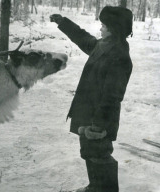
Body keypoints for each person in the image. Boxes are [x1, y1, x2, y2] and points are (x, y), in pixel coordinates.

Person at [50, 6, 133, 192]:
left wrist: (99, 124)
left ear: (113, 29)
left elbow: (113, 97)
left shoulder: (119, 56)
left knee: (100, 154)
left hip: (99, 119)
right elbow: (83, 38)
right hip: (89, 113)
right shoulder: (104, 45)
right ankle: (95, 187)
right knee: (89, 152)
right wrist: (63, 23)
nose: (100, 29)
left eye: (103, 25)